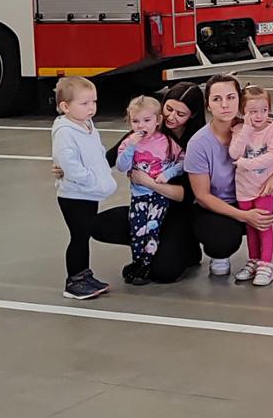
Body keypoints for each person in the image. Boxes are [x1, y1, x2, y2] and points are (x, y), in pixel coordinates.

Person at [182, 75, 273, 282]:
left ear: (239, 102)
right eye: (217, 99)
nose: (225, 104)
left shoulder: (254, 126)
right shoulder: (199, 143)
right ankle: (221, 255)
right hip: (222, 207)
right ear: (208, 105)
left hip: (254, 196)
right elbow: (202, 196)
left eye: (231, 97)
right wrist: (244, 216)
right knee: (222, 239)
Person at [85, 83, 205, 284]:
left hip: (177, 209)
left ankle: (185, 245)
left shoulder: (194, 142)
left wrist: (150, 182)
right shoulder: (142, 132)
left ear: (192, 115)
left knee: (165, 272)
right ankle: (143, 253)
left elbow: (187, 195)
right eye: (168, 109)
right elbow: (109, 160)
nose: (171, 117)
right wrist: (71, 171)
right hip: (144, 202)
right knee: (96, 225)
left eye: (180, 114)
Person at [52, 76, 116, 300]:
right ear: (65, 107)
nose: (91, 108)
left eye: (94, 102)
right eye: (84, 103)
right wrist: (90, 179)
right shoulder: (65, 132)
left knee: (85, 234)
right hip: (74, 195)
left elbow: (96, 151)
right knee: (78, 236)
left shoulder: (87, 124)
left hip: (88, 194)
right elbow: (69, 164)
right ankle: (74, 282)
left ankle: (84, 275)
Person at [112, 95, 182, 286]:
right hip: (139, 195)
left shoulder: (167, 141)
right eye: (135, 121)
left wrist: (167, 174)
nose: (141, 125)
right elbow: (121, 166)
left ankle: (147, 263)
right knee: (137, 229)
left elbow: (183, 161)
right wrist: (130, 147)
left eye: (146, 120)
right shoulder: (129, 142)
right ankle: (138, 263)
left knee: (152, 227)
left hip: (160, 194)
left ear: (158, 121)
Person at [228, 86, 273, 287]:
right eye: (253, 112)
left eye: (264, 110)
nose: (259, 115)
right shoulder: (238, 130)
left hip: (264, 188)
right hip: (244, 189)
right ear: (243, 112)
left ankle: (266, 263)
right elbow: (234, 153)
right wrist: (246, 129)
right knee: (250, 225)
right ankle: (253, 260)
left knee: (263, 224)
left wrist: (247, 164)